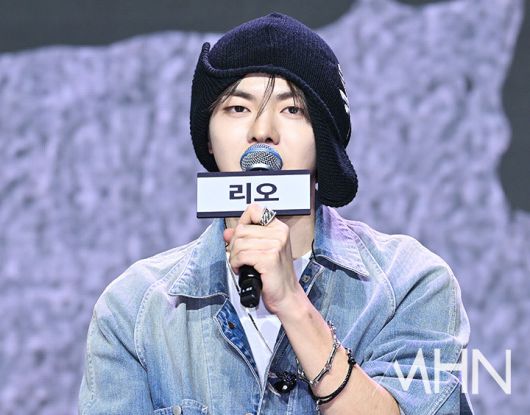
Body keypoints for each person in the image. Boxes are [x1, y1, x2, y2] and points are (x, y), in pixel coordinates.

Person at [79, 13, 473, 414]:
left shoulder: (410, 285)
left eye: (292, 110)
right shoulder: (134, 309)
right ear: (209, 138)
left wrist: (293, 305)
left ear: (324, 140)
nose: (262, 130)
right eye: (237, 108)